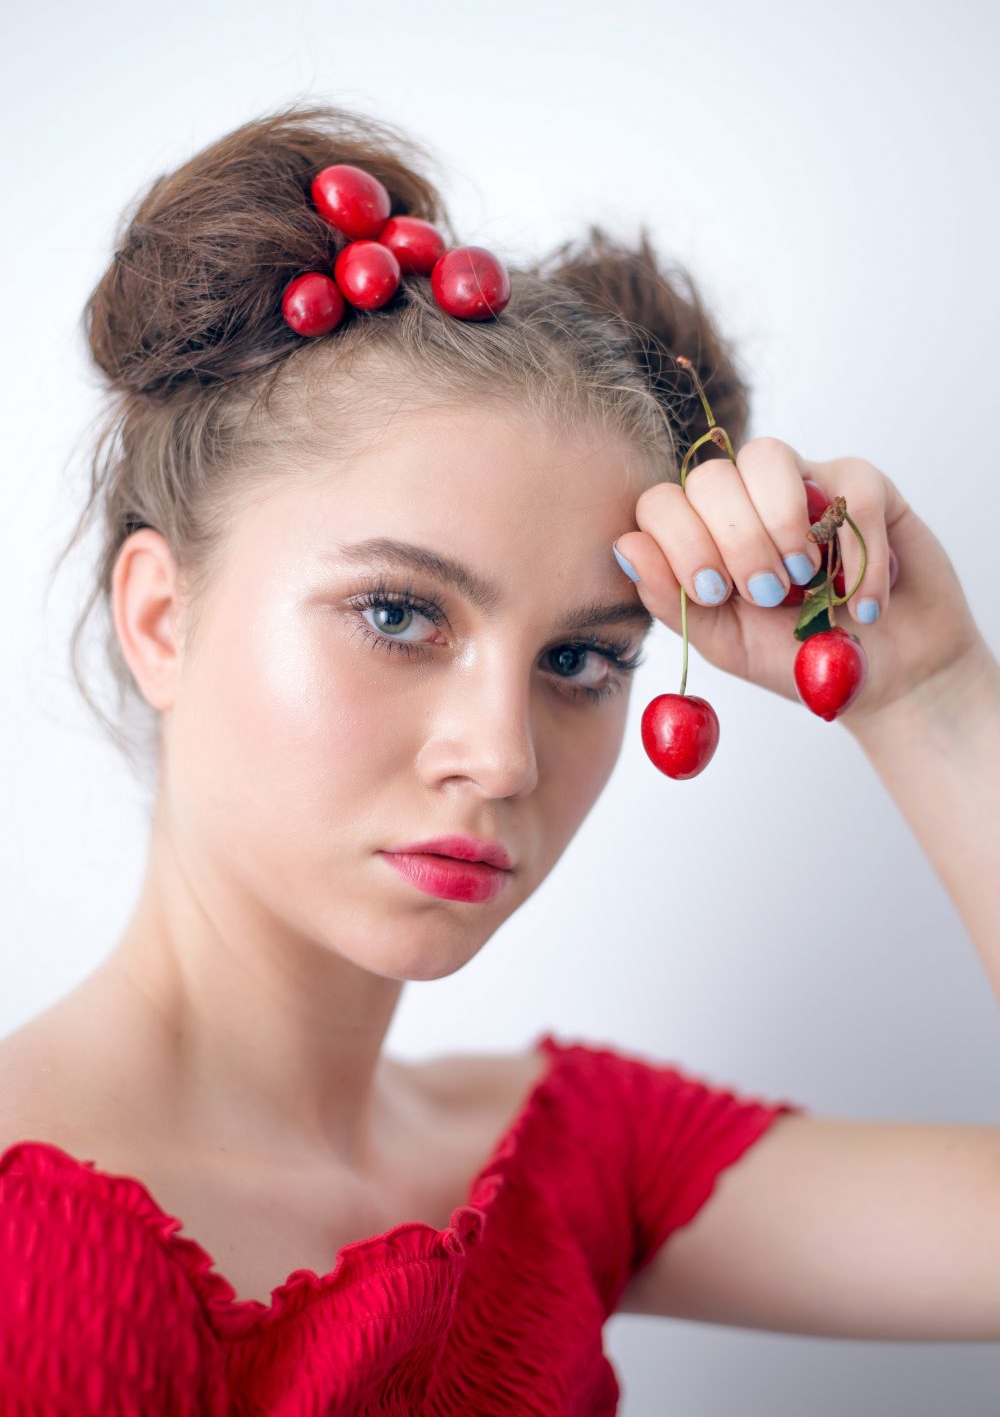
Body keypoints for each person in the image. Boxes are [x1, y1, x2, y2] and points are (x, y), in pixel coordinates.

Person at [0, 102, 997, 1415]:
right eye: (400, 615)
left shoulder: (573, 1159)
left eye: (582, 660)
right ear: (161, 618)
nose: (502, 754)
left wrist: (928, 694)